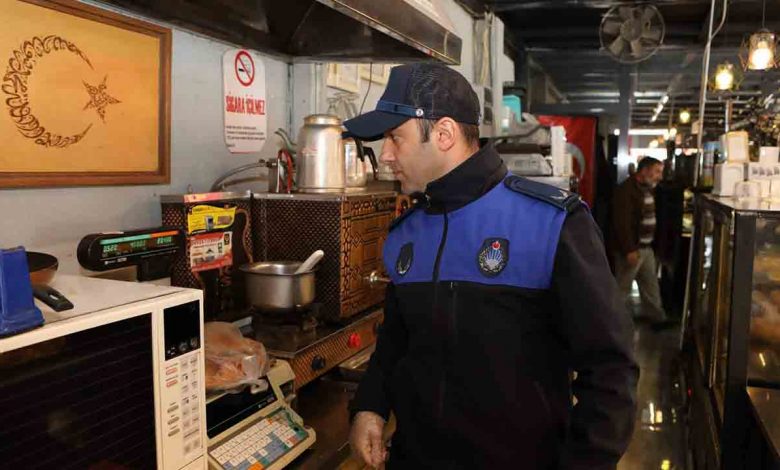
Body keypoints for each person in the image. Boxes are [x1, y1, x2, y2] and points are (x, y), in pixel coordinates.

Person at [343, 63, 638, 469]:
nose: (386, 156)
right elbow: (397, 337)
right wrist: (370, 405)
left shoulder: (552, 223)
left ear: (444, 134)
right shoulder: (406, 233)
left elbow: (610, 370)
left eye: (395, 138)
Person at [611, 156, 669, 326]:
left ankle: (657, 318)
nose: (660, 176)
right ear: (644, 171)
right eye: (657, 172)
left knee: (650, 285)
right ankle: (613, 322)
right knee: (622, 287)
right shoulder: (626, 190)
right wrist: (629, 249)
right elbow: (622, 223)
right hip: (633, 248)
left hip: (646, 247)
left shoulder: (648, 189)